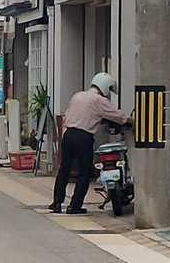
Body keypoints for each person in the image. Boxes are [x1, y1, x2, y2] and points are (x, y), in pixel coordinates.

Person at [52, 71, 131, 215]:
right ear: (105, 87)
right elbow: (118, 115)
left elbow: (70, 115)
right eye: (109, 90)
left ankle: (56, 203)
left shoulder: (77, 96)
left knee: (64, 169)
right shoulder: (99, 100)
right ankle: (75, 206)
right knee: (84, 172)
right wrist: (131, 121)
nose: (108, 94)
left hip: (68, 134)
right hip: (83, 137)